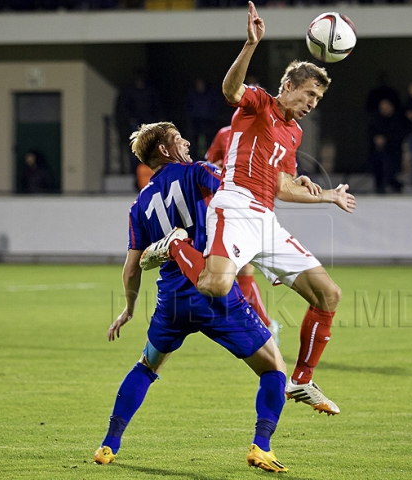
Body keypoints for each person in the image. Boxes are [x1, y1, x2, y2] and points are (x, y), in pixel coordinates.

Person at [141, 1, 355, 416]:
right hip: (234, 206)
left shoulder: (294, 132)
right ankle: (174, 246)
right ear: (288, 85)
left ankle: (302, 381)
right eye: (310, 93)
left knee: (328, 294)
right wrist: (250, 45)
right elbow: (229, 91)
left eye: (319, 98)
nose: (313, 102)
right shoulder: (260, 104)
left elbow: (282, 187)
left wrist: (324, 195)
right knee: (215, 286)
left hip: (265, 219)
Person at [93, 121, 289, 473]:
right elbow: (238, 197)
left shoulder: (139, 205)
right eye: (177, 138)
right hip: (213, 292)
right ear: (165, 151)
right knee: (274, 368)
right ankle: (261, 446)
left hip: (172, 303)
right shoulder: (196, 172)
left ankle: (109, 444)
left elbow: (132, 267)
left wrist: (129, 308)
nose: (185, 141)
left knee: (147, 365)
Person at [205, 123, 282, 344]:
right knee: (232, 271)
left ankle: (264, 325)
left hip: (254, 206)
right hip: (226, 205)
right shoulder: (225, 134)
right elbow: (209, 164)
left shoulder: (272, 133)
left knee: (245, 268)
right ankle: (262, 325)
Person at [368, 98, 404, 193]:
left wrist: (386, 139)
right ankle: (379, 187)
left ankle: (393, 185)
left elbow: (398, 135)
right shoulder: (376, 119)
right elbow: (371, 132)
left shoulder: (396, 119)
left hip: (392, 150)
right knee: (377, 165)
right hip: (378, 151)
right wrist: (377, 139)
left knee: (388, 169)